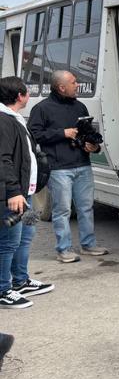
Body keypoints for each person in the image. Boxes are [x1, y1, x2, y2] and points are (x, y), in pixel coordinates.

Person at [28, 70, 107, 263]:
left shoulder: (80, 107)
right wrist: (62, 133)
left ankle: (88, 245)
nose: (78, 84)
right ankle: (64, 249)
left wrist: (93, 146)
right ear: (61, 87)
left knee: (86, 207)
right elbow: (35, 135)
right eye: (74, 82)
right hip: (59, 168)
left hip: (83, 165)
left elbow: (87, 134)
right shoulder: (42, 109)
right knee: (62, 210)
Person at [1, 76, 54, 309]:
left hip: (27, 192)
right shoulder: (3, 120)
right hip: (13, 196)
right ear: (20, 95)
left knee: (25, 237)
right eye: (26, 92)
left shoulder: (14, 117)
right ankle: (3, 290)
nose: (28, 96)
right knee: (8, 241)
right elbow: (2, 159)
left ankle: (20, 280)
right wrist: (13, 191)